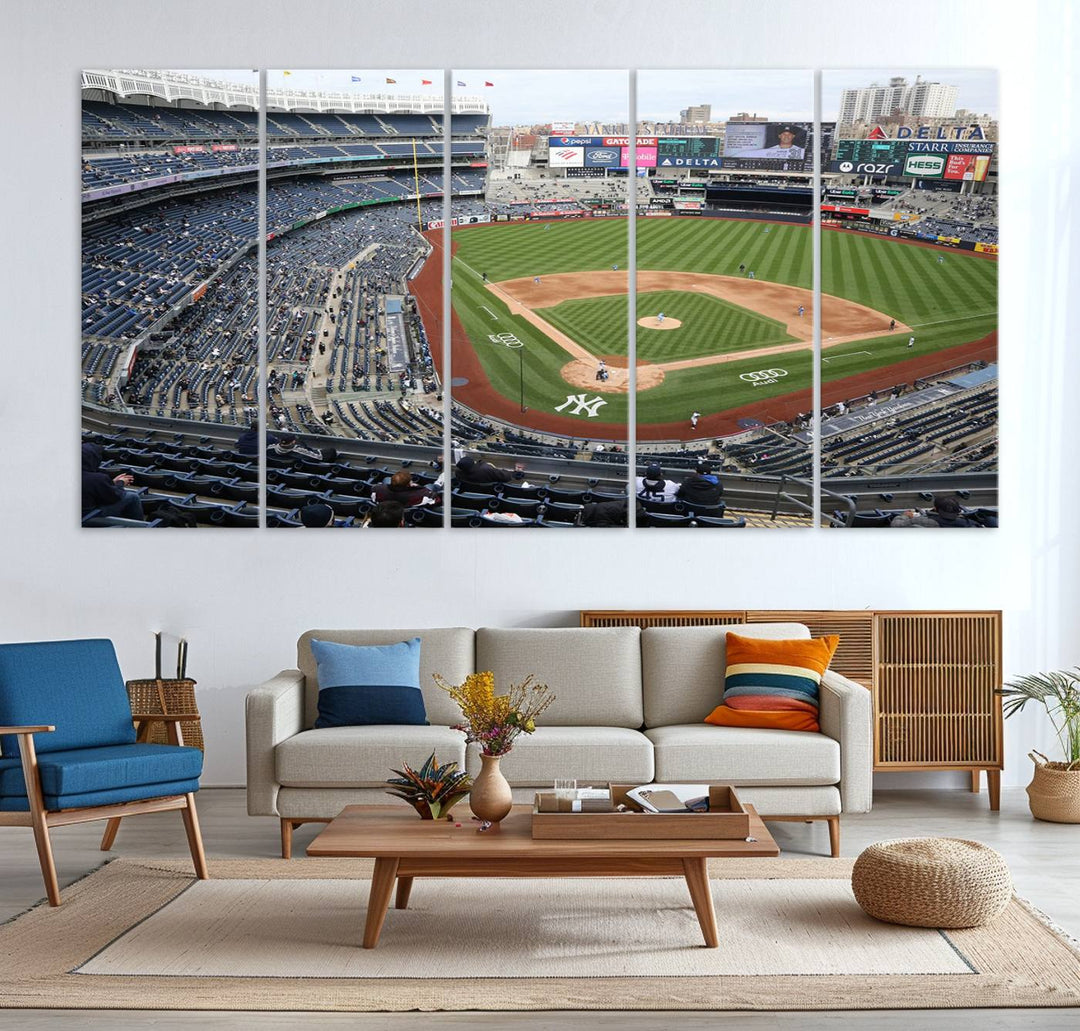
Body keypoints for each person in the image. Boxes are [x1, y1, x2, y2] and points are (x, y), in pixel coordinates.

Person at [81, 443, 145, 521]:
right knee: (132, 497)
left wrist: (111, 483)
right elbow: (115, 497)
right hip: (87, 517)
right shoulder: (97, 478)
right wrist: (120, 483)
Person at [372, 470, 437, 508]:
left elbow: (374, 499)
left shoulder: (376, 489)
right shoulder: (423, 495)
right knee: (430, 486)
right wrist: (419, 487)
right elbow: (434, 500)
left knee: (386, 479)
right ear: (409, 484)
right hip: (406, 510)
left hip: (388, 507)